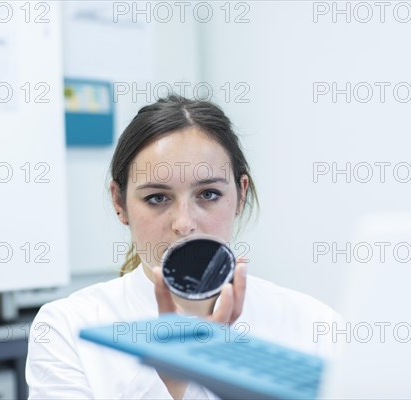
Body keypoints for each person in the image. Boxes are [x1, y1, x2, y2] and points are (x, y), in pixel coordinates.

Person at [25, 95, 341, 399]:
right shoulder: (67, 326)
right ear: (119, 203)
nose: (184, 223)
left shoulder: (314, 325)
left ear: (240, 195)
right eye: (157, 198)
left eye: (208, 194)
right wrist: (172, 376)